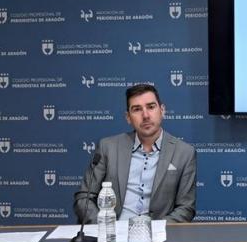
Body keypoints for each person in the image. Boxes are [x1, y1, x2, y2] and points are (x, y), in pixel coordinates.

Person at [75, 83, 196, 223]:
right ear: (128, 117)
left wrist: (155, 230)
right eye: (137, 109)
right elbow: (84, 198)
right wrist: (105, 227)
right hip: (112, 231)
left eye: (151, 107)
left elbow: (185, 208)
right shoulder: (108, 147)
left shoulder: (184, 153)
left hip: (157, 233)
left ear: (162, 110)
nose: (145, 115)